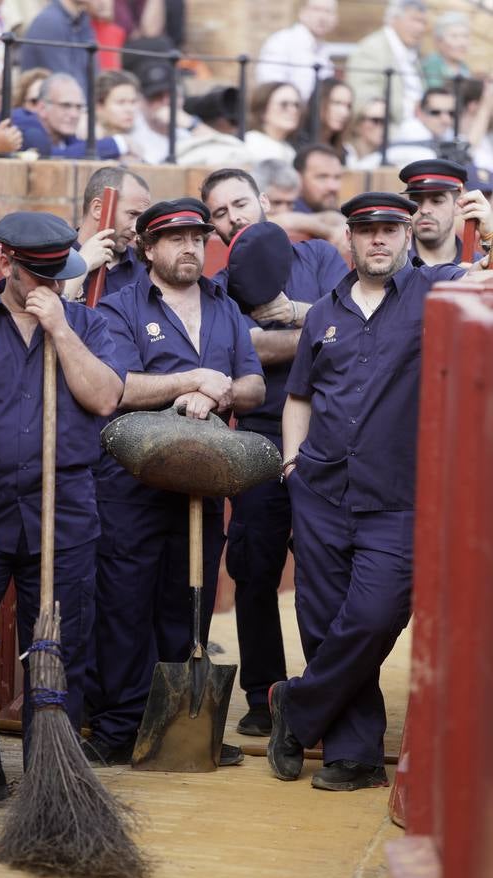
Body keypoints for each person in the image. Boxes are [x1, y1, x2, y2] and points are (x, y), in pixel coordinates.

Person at [269, 190, 489, 790]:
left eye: (390, 228)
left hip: (398, 497)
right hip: (318, 490)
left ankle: (295, 707)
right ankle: (353, 755)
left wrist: (488, 230)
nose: (379, 239)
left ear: (406, 233)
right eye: (366, 229)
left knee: (371, 617)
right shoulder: (323, 312)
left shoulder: (436, 293)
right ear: (351, 238)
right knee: (322, 623)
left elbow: (488, 279)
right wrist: (292, 466)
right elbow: (299, 396)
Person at [0, 211, 125, 808]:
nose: (51, 285)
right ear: (7, 263)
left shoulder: (88, 321)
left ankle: (48, 783)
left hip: (63, 516)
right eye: (39, 275)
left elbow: (106, 397)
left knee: (60, 651)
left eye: (59, 274)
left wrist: (61, 331)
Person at [85, 198, 265, 766]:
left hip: (202, 485)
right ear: (147, 246)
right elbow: (117, 389)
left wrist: (221, 392)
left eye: (198, 238)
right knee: (124, 607)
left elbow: (254, 386)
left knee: (188, 605)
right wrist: (186, 380)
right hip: (130, 487)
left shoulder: (225, 306)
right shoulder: (119, 308)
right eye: (176, 238)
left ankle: (175, 731)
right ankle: (118, 730)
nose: (191, 248)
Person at [201, 168, 348, 735]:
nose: (234, 216)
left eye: (241, 203)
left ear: (263, 203)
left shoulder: (318, 258)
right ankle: (261, 696)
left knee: (326, 568)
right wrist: (314, 327)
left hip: (329, 438)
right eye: (220, 211)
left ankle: (325, 693)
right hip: (257, 439)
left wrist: (293, 316)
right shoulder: (216, 287)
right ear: (212, 225)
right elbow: (247, 353)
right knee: (254, 566)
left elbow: (350, 325)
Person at [64, 165, 151, 301]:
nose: (136, 228)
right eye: (132, 214)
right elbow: (49, 316)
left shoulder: (145, 268)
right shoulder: (56, 260)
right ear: (98, 209)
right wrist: (83, 264)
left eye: (141, 219)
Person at [346, 0, 427, 128]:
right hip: (389, 130)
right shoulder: (372, 49)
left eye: (423, 22)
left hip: (420, 125)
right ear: (394, 19)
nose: (420, 28)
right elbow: (364, 100)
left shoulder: (411, 52)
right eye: (414, 20)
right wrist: (415, 108)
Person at [12, 71, 129, 159]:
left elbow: (80, 150)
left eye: (79, 107)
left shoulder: (66, 136)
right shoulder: (23, 123)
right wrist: (119, 143)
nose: (74, 114)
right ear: (42, 108)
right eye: (66, 105)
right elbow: (50, 156)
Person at [399, 158, 493, 266]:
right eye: (416, 201)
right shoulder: (393, 262)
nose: (424, 210)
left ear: (458, 205)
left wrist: (489, 236)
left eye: (437, 201)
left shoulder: (477, 263)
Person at [256, 0, 338, 103]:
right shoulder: (282, 42)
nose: (322, 17)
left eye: (328, 11)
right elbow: (270, 90)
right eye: (316, 9)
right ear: (302, 13)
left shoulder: (324, 51)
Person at [20, 0, 96, 95]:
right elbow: (63, 88)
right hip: (51, 105)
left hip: (75, 105)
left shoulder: (82, 20)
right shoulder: (49, 22)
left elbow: (94, 79)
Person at [296, 77, 353, 163]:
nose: (344, 112)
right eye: (336, 103)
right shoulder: (297, 144)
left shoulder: (343, 152)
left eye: (348, 106)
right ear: (319, 103)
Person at [244, 82, 302, 166]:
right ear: (263, 110)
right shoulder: (250, 144)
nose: (293, 110)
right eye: (284, 104)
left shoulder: (290, 150)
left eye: (296, 105)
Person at [422, 12, 471, 90]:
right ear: (439, 41)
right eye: (454, 36)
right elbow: (435, 93)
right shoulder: (432, 65)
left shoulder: (464, 68)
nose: (463, 43)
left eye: (465, 36)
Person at [292, 142, 343, 213]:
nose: (333, 187)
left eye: (337, 177)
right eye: (322, 177)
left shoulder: (345, 217)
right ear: (297, 178)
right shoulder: (281, 215)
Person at [95, 69, 141, 139]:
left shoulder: (137, 136)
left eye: (133, 102)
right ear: (99, 106)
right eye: (121, 102)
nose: (129, 109)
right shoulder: (89, 140)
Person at [345, 98, 386, 169]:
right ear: (357, 123)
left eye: (386, 121)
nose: (382, 127)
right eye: (375, 120)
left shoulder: (388, 161)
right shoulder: (340, 154)